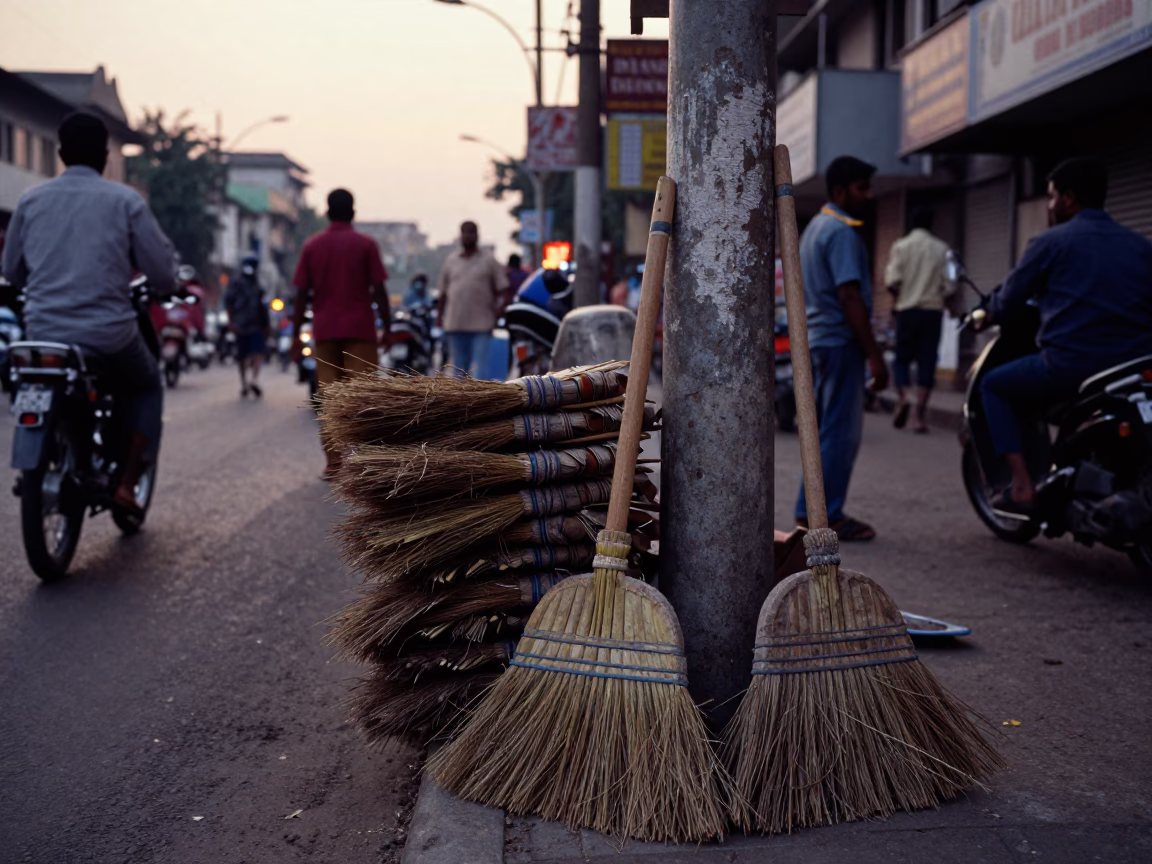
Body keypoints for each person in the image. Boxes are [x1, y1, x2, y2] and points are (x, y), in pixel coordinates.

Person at [0, 112, 175, 516]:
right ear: (105, 156)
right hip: (108, 335)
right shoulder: (126, 201)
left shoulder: (30, 200)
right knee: (147, 385)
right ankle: (127, 484)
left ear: (61, 153)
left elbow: (12, 271)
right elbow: (162, 272)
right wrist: (167, 287)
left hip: (42, 332)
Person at [980, 158, 1152, 513]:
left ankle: (1023, 486)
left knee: (993, 385)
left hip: (1071, 366)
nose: (1050, 205)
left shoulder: (1049, 242)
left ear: (1069, 199)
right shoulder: (1139, 245)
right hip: (1133, 369)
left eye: (1052, 196)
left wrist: (988, 311)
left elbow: (1010, 297)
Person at [794, 155, 889, 542]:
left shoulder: (815, 228)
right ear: (839, 191)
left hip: (819, 342)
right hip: (838, 343)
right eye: (861, 188)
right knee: (839, 432)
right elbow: (850, 297)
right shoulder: (842, 232)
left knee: (826, 430)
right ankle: (826, 514)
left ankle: (810, 510)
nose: (868, 196)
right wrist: (875, 355)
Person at [291, 188, 390, 477]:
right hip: (360, 330)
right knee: (363, 399)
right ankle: (363, 460)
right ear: (353, 212)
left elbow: (300, 294)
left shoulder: (312, 246)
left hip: (326, 331)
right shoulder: (366, 245)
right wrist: (387, 326)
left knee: (331, 398)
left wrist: (297, 333)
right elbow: (380, 290)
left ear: (327, 212)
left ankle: (334, 463)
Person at [885, 208, 954, 434]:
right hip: (932, 312)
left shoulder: (901, 246)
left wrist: (896, 303)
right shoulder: (942, 249)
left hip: (907, 310)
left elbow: (892, 280)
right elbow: (951, 285)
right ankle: (918, 416)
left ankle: (904, 397)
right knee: (927, 361)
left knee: (902, 359)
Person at [437, 221, 507, 377]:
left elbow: (503, 288)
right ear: (460, 235)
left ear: (477, 235)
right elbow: (443, 292)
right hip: (455, 323)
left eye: (471, 232)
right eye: (465, 232)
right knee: (459, 369)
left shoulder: (489, 260)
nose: (468, 236)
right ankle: (462, 401)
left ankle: (480, 401)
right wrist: (438, 318)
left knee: (480, 370)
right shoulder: (451, 260)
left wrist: (499, 311)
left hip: (481, 324)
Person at [224, 254, 269, 398]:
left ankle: (249, 382)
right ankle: (249, 381)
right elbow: (229, 304)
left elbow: (263, 306)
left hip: (251, 325)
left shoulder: (256, 283)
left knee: (252, 354)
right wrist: (231, 322)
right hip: (246, 325)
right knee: (251, 354)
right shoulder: (240, 283)